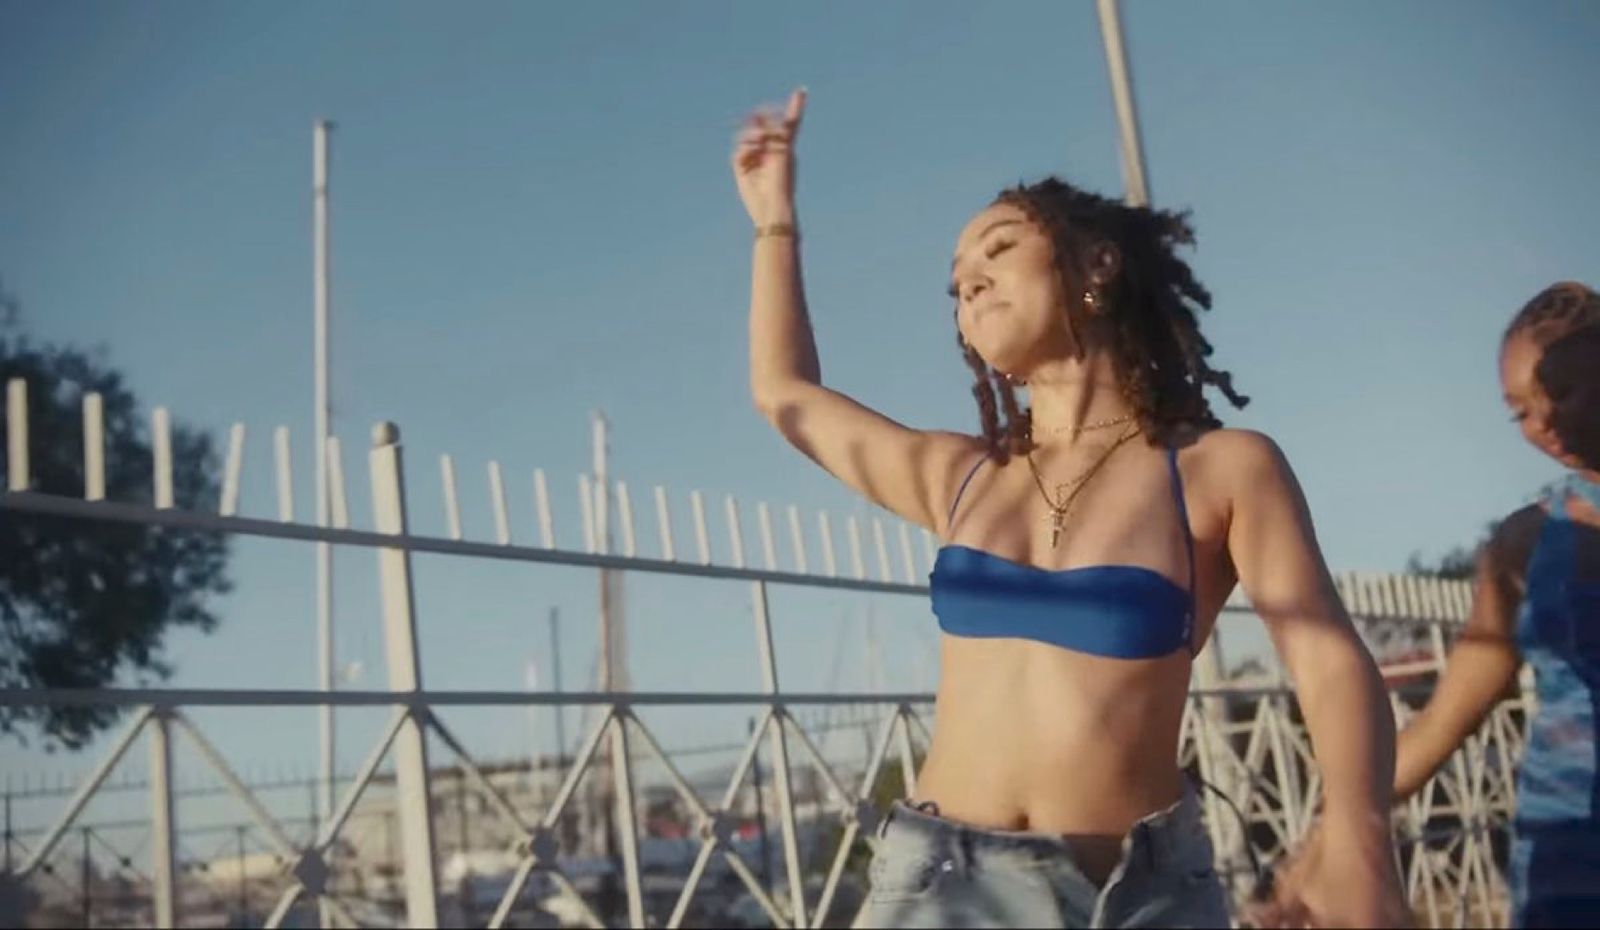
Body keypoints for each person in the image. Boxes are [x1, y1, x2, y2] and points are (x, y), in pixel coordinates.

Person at [733, 88, 1409, 928]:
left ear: (1097, 265)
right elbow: (783, 392)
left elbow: (1328, 662)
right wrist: (774, 220)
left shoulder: (1223, 469)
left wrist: (1357, 839)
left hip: (1137, 898)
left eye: (1000, 247)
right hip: (940, 891)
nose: (969, 280)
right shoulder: (962, 477)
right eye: (955, 283)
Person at [1269, 283, 1600, 928]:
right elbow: (1445, 721)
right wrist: (1330, 839)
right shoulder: (1523, 543)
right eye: (1520, 412)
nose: (1544, 424)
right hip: (1563, 861)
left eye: (1561, 392)